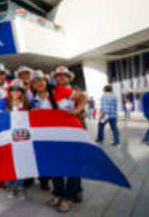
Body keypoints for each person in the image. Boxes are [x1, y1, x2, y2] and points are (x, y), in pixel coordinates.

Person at [48, 66, 88, 213]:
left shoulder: (71, 91)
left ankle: (69, 196)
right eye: (58, 76)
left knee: (73, 164)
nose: (60, 78)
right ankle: (60, 192)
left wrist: (77, 111)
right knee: (56, 164)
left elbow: (83, 99)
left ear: (69, 78)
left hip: (74, 131)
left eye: (64, 76)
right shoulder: (54, 91)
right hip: (57, 132)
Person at [30, 70, 57, 191]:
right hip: (40, 134)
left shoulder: (55, 94)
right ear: (33, 85)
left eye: (41, 80)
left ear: (46, 81)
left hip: (55, 133)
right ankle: (44, 180)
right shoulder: (33, 99)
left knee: (55, 160)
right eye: (35, 82)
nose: (39, 83)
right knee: (41, 158)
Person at [5, 80, 30, 199]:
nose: (15, 92)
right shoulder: (4, 102)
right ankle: (10, 186)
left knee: (21, 163)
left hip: (22, 137)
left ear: (22, 92)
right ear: (10, 91)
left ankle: (20, 187)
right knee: (9, 162)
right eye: (13, 89)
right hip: (8, 136)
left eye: (18, 90)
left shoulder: (26, 104)